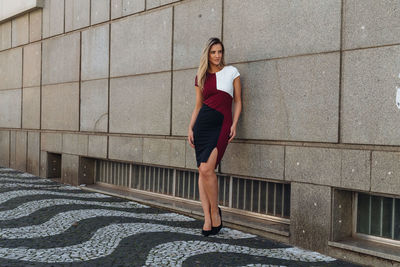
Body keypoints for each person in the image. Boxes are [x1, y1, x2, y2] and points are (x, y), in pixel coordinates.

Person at [187, 37, 242, 236]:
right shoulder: (200, 77)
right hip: (202, 125)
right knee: (202, 171)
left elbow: (238, 102)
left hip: (222, 123)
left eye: (219, 52)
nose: (217, 56)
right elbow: (198, 106)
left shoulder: (232, 72)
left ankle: (215, 211)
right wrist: (190, 128)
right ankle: (208, 218)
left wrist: (234, 124)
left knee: (207, 168)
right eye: (213, 52)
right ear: (207, 55)